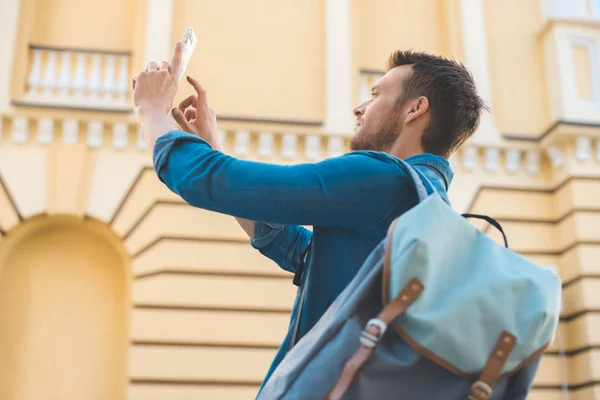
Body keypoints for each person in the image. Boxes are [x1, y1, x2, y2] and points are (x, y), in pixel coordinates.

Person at [132, 42, 540, 398]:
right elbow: (310, 256)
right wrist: (212, 148)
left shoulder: (382, 178)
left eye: (377, 94)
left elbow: (213, 181)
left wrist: (153, 113)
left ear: (416, 109)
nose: (359, 108)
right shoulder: (430, 205)